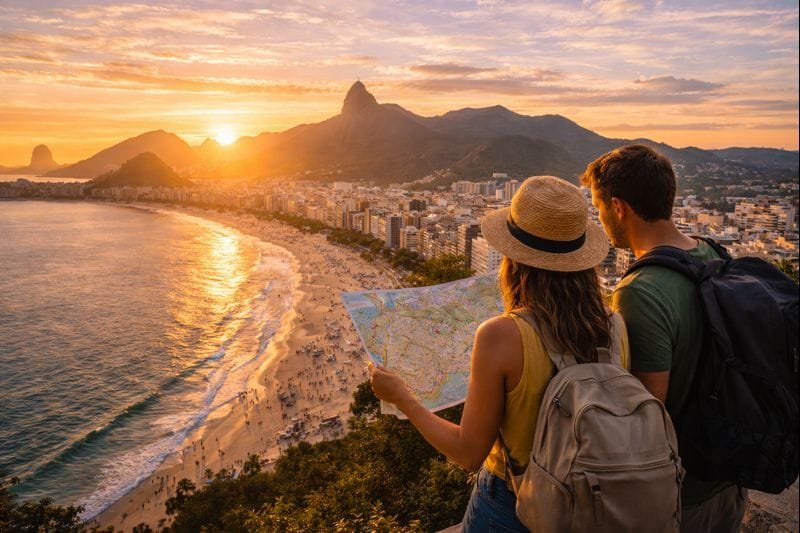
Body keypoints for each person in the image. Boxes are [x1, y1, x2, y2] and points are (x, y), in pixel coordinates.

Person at [369, 175, 629, 532]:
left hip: (515, 505)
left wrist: (403, 399)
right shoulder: (614, 324)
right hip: (592, 500)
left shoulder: (502, 335)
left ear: (514, 258)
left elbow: (467, 453)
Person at [580, 144, 747, 532]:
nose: (600, 219)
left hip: (681, 496)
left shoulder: (640, 291)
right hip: (729, 476)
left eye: (599, 207)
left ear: (618, 207)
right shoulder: (714, 255)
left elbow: (646, 414)